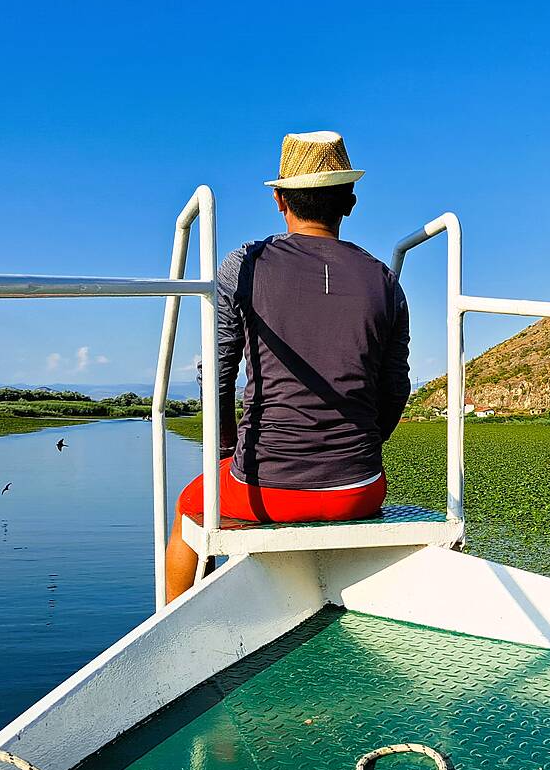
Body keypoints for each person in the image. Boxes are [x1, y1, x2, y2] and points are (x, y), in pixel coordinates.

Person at [164, 131, 410, 603]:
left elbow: (217, 374)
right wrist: (357, 449)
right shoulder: (386, 281)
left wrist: (225, 448)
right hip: (361, 488)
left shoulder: (246, 265)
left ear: (279, 200)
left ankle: (173, 632)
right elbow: (394, 389)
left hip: (264, 486)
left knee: (189, 507)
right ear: (351, 202)